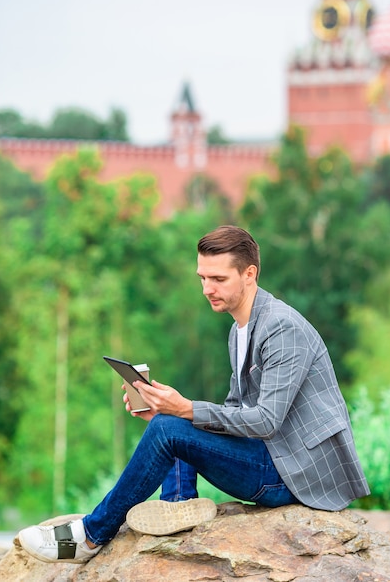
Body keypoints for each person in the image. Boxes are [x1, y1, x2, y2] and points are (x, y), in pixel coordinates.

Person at [19, 225, 370, 564]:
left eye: (218, 279)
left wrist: (185, 411)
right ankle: (177, 502)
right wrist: (169, 414)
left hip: (297, 474)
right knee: (170, 424)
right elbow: (235, 411)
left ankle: (90, 536)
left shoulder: (282, 327)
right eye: (202, 278)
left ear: (249, 274)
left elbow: (265, 420)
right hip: (274, 456)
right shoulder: (240, 330)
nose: (207, 288)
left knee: (176, 423)